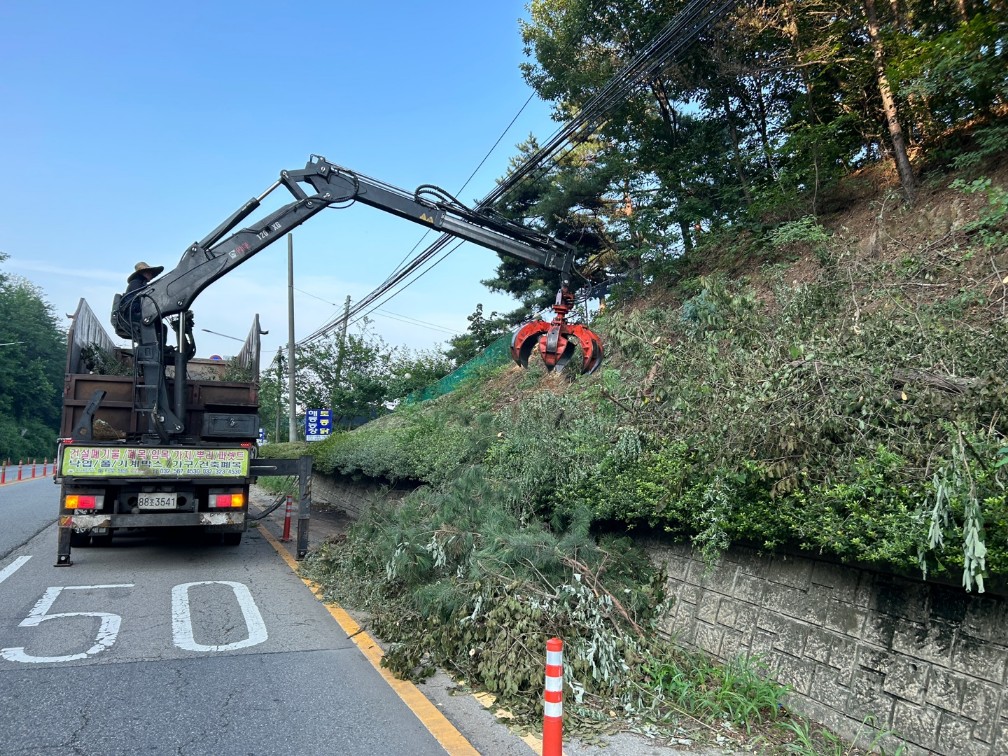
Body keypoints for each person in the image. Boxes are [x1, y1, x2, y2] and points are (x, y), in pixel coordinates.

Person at [113, 261, 164, 340]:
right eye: (148, 272)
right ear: (142, 273)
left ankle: (160, 345)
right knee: (160, 325)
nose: (150, 274)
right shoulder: (136, 283)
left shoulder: (142, 284)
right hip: (133, 313)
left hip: (136, 311)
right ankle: (158, 345)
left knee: (160, 324)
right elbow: (142, 301)